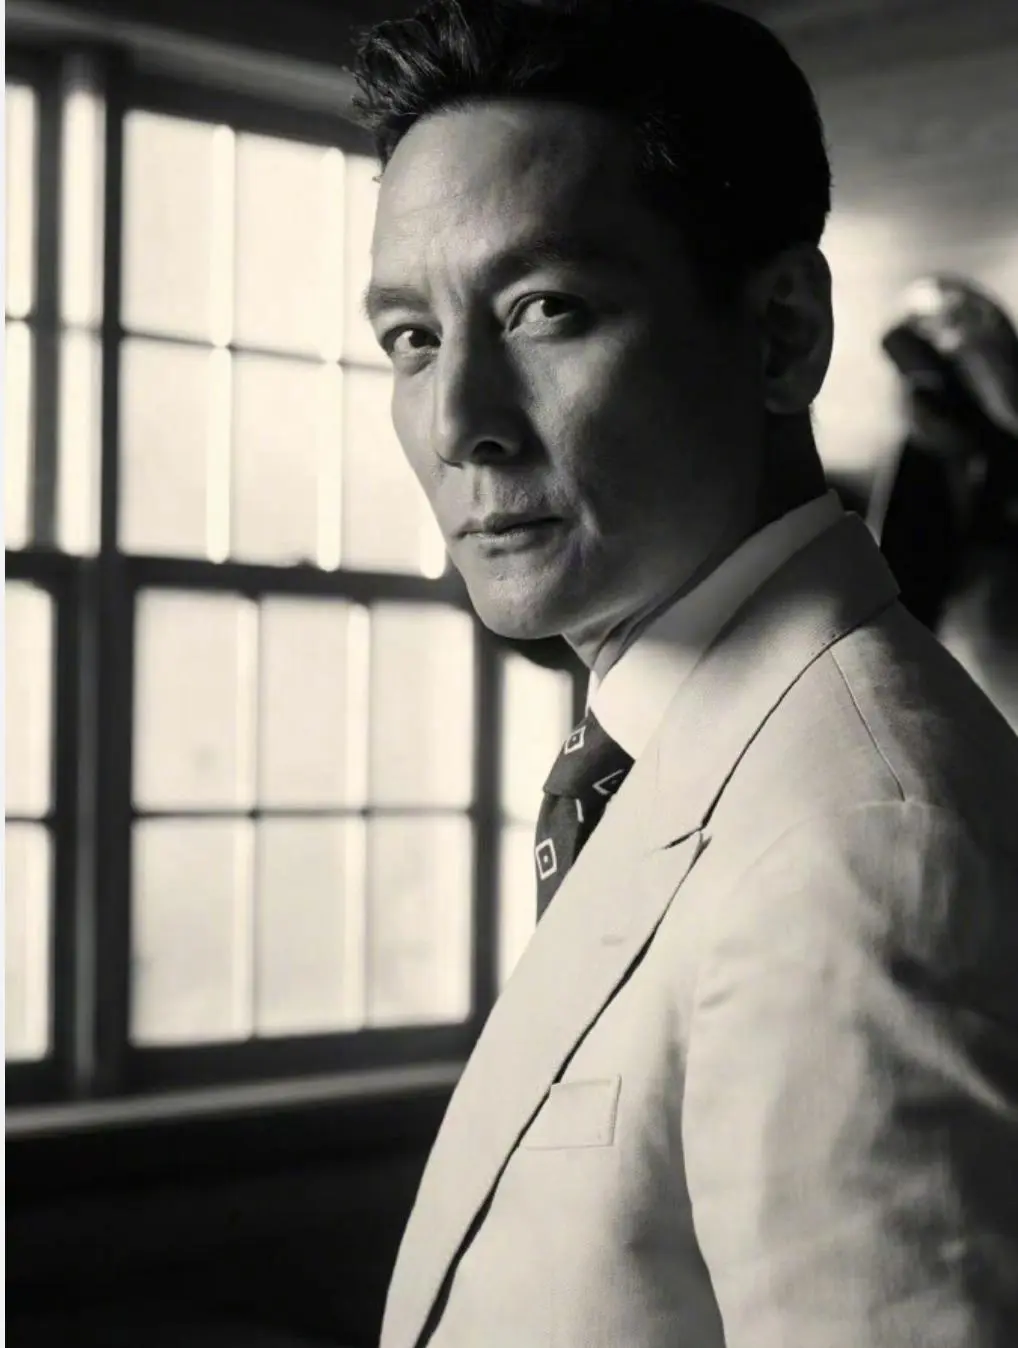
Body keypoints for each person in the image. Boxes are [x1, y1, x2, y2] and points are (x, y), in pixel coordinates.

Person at [352, 1, 1018, 1343]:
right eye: (413, 337)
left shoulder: (860, 845)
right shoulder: (677, 759)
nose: (460, 422)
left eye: (545, 310)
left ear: (780, 335)